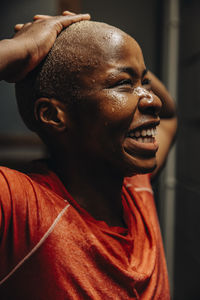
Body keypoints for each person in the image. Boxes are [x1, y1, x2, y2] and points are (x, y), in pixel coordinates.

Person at [0, 12, 177, 300]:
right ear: (53, 115)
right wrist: (19, 50)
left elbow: (168, 115)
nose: (153, 99)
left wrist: (124, 57)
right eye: (122, 83)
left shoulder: (135, 185)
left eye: (144, 82)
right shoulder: (21, 208)